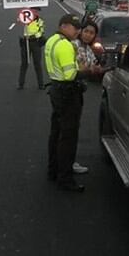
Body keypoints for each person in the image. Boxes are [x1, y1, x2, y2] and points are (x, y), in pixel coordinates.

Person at [44, 14, 87, 192]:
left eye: (78, 27)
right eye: (74, 27)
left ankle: (53, 170)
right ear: (63, 26)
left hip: (56, 90)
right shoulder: (65, 45)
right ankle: (65, 178)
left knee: (56, 133)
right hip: (68, 94)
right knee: (68, 137)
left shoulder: (52, 40)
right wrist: (87, 70)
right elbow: (70, 74)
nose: (77, 31)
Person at [69, 21, 105, 176]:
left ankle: (63, 162)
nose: (89, 35)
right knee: (69, 130)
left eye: (92, 33)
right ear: (80, 31)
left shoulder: (87, 48)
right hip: (69, 91)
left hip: (75, 90)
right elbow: (82, 68)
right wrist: (92, 69)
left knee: (70, 129)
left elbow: (91, 65)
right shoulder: (75, 45)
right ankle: (67, 164)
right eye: (86, 31)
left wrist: (93, 68)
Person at [18, 8, 45, 89]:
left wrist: (33, 35)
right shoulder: (25, 19)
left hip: (36, 43)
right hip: (25, 43)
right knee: (24, 64)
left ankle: (41, 84)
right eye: (33, 11)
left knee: (37, 64)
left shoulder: (40, 21)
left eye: (36, 11)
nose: (35, 13)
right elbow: (18, 20)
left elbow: (41, 31)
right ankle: (21, 84)